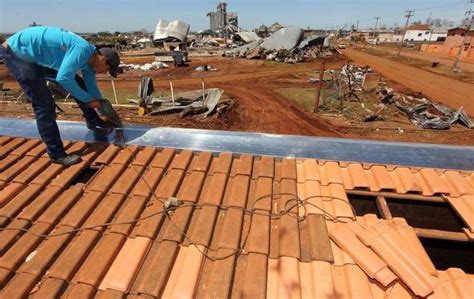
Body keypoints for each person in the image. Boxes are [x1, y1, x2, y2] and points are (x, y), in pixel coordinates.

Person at [0, 26, 120, 167]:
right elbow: (64, 79)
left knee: (79, 84)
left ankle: (93, 120)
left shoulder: (89, 58)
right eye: (107, 70)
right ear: (103, 59)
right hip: (17, 53)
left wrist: (100, 102)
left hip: (36, 55)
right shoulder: (82, 50)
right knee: (44, 105)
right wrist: (89, 100)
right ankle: (56, 154)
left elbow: (90, 85)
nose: (105, 73)